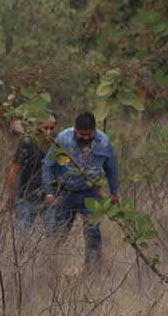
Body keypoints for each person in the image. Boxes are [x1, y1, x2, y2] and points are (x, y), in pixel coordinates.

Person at [42, 112, 119, 273]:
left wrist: (114, 192)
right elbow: (48, 166)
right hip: (66, 194)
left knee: (93, 233)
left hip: (90, 194)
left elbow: (111, 168)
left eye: (89, 135)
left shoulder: (103, 141)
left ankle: (93, 273)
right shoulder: (63, 139)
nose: (85, 138)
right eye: (81, 135)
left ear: (95, 130)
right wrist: (49, 192)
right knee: (58, 233)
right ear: (75, 130)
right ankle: (49, 270)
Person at [5, 111, 58, 235]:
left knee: (55, 237)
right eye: (45, 128)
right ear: (38, 127)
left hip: (51, 200)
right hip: (27, 198)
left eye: (52, 128)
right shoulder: (27, 142)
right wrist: (12, 197)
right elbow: (14, 171)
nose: (49, 132)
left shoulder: (60, 144)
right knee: (20, 236)